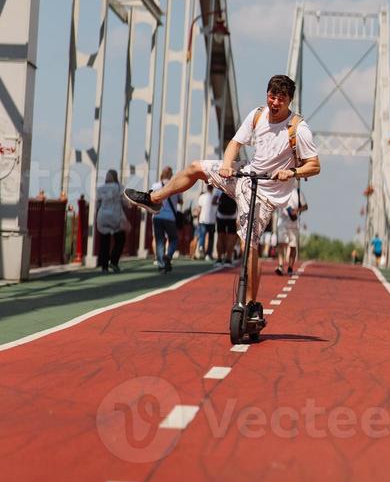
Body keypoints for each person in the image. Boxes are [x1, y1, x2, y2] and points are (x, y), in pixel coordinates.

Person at [124, 75, 321, 319]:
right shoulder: (257, 115)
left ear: (290, 100)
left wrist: (291, 171)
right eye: (272, 96)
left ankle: (250, 305)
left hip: (267, 191)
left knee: (249, 243)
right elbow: (235, 144)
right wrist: (227, 165)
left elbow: (314, 165)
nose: (275, 103)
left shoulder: (299, 129)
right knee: (196, 167)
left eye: (281, 99)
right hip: (246, 176)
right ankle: (155, 199)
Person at [96, 169, 127, 273]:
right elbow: (126, 203)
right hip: (114, 217)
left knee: (104, 242)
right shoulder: (120, 188)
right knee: (120, 240)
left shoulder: (100, 189)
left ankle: (104, 267)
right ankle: (113, 261)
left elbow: (97, 204)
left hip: (102, 217)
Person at [151, 166, 180, 273]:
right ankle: (168, 256)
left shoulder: (155, 186)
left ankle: (161, 265)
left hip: (157, 215)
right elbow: (180, 201)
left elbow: (152, 199)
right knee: (173, 239)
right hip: (170, 217)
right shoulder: (175, 186)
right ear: (171, 174)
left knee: (159, 240)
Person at [275, 185, 308, 275]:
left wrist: (296, 210)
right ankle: (280, 266)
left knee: (292, 246)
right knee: (281, 244)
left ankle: (290, 267)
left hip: (294, 224)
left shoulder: (298, 192)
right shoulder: (281, 190)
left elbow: (305, 206)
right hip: (282, 222)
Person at [216, 188, 238, 264]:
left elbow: (215, 200)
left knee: (220, 236)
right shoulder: (236, 186)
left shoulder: (219, 186)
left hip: (220, 215)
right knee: (231, 238)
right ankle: (228, 259)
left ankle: (219, 259)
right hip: (232, 216)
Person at [197, 184, 218, 260]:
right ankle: (208, 254)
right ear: (212, 189)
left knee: (202, 235)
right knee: (211, 238)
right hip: (212, 220)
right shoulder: (215, 198)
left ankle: (201, 248)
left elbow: (199, 209)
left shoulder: (202, 197)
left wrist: (198, 219)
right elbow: (216, 210)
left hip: (203, 219)